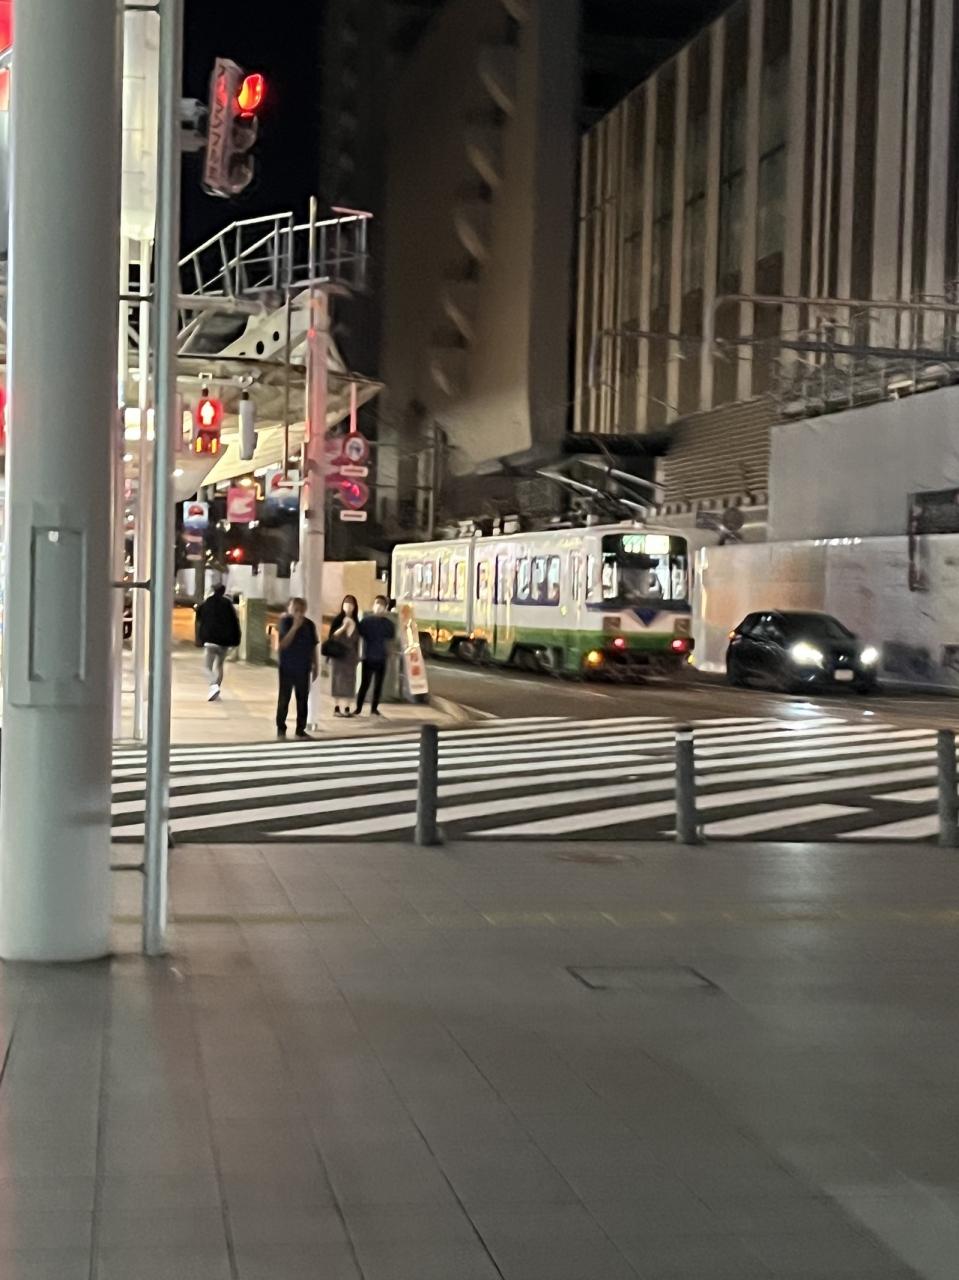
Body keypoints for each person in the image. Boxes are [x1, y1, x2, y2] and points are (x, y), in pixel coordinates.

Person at [276, 597, 319, 739]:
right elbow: (283, 645)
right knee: (284, 699)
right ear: (290, 609)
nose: (298, 613)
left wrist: (316, 665)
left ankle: (300, 729)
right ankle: (281, 729)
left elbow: (313, 646)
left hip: (304, 667)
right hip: (287, 667)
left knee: (302, 700)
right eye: (295, 610)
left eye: (301, 610)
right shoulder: (285, 622)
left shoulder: (310, 625)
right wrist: (294, 627)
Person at [195, 583, 241, 702]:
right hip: (224, 642)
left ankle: (213, 686)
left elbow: (199, 618)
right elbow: (234, 622)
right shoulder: (228, 604)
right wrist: (235, 640)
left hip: (210, 640)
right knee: (219, 665)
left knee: (207, 667)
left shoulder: (206, 603)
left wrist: (199, 638)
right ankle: (215, 690)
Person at [355, 595, 396, 717]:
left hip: (382, 658)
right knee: (365, 684)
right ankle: (358, 708)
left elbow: (390, 641)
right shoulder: (366, 622)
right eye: (377, 603)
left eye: (382, 604)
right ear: (373, 605)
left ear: (386, 608)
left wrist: (391, 655)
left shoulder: (389, 624)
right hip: (368, 657)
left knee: (378, 685)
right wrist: (359, 654)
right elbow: (359, 638)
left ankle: (374, 708)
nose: (379, 606)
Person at [327, 594, 360, 717]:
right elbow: (332, 637)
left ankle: (347, 708)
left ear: (355, 606)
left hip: (351, 656)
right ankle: (336, 707)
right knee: (337, 680)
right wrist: (344, 627)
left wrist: (358, 656)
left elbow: (358, 641)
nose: (348, 605)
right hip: (338, 655)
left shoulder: (356, 621)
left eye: (351, 603)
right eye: (346, 603)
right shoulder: (338, 620)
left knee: (350, 681)